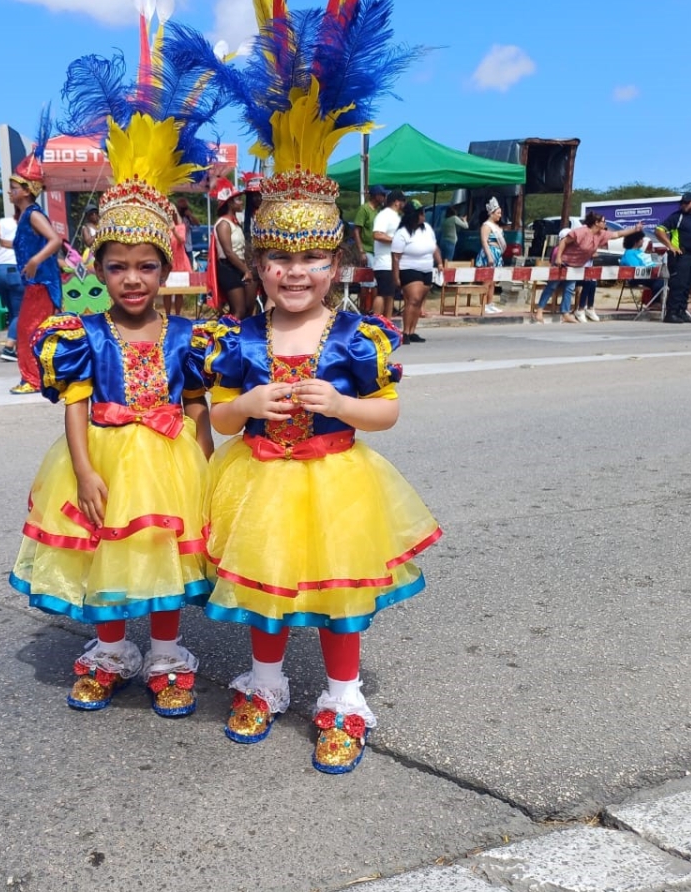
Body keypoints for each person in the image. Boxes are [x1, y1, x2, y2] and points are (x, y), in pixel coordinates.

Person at [202, 0, 440, 775]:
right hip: (261, 481)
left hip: (338, 482)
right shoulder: (239, 336)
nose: (294, 273)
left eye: (310, 260)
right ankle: (266, 681)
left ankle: (342, 695)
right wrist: (243, 407)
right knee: (262, 588)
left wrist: (341, 405)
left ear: (335, 265)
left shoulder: (359, 334)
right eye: (278, 259)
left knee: (340, 595)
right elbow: (217, 414)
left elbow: (390, 411)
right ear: (257, 264)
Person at [10, 35, 217, 717]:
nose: (132, 278)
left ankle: (163, 655)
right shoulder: (81, 335)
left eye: (147, 266)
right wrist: (84, 466)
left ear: (168, 270)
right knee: (103, 557)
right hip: (98, 455)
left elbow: (195, 405)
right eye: (118, 265)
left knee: (160, 558)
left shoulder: (188, 334)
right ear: (97, 270)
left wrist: (206, 470)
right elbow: (74, 402)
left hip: (169, 463)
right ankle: (108, 651)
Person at [7, 110, 63, 394]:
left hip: (41, 282)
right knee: (33, 330)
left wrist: (35, 260)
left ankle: (33, 379)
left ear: (27, 190)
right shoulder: (25, 216)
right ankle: (38, 376)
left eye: (13, 187)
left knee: (30, 330)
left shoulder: (32, 214)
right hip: (36, 281)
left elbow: (55, 239)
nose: (10, 192)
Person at [536, 213, 641, 323]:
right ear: (596, 223)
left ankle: (565, 314)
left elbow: (618, 234)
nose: (605, 223)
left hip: (576, 265)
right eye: (603, 221)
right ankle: (539, 311)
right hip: (564, 262)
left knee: (569, 289)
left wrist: (635, 229)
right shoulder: (581, 232)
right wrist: (558, 258)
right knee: (552, 286)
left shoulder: (601, 234)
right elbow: (564, 241)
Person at [653, 192, 691, 324]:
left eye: (686, 202)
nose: (683, 205)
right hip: (680, 256)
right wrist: (670, 246)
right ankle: (671, 313)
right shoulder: (677, 217)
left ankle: (681, 311)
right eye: (682, 203)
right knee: (678, 285)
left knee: (688, 285)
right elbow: (659, 230)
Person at [390, 200, 441, 344]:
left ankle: (412, 331)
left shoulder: (427, 229)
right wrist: (396, 276)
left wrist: (440, 262)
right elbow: (395, 257)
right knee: (413, 300)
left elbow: (435, 247)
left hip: (426, 268)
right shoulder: (402, 233)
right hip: (409, 268)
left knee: (419, 302)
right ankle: (405, 332)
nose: (423, 215)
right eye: (420, 213)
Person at [211, 178, 252, 319]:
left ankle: (235, 337)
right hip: (228, 268)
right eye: (238, 200)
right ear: (230, 203)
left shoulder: (234, 223)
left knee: (245, 310)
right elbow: (228, 252)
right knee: (238, 311)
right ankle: (226, 339)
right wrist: (245, 270)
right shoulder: (223, 224)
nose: (241, 202)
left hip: (237, 267)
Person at [0, 211, 25, 363]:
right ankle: (9, 347)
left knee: (13, 312)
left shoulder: (2, 222)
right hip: (16, 269)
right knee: (20, 312)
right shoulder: (29, 221)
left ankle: (17, 345)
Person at [370, 188, 405, 319]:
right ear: (396, 202)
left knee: (390, 294)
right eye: (403, 201)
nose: (404, 204)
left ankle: (388, 322)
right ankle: (376, 321)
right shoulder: (384, 215)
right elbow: (377, 234)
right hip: (383, 262)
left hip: (392, 263)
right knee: (382, 293)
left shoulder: (396, 217)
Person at [473, 197, 505, 315]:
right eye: (498, 213)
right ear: (492, 213)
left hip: (497, 253)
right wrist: (489, 256)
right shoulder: (486, 226)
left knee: (493, 281)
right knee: (487, 280)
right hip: (489, 253)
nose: (500, 215)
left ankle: (490, 303)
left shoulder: (496, 226)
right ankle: (483, 304)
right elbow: (484, 241)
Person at [163, 202, 193, 316]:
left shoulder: (181, 227)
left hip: (180, 262)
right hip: (168, 261)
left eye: (171, 212)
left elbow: (182, 240)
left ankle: (178, 314)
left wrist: (174, 230)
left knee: (179, 291)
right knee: (167, 292)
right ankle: (167, 315)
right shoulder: (163, 227)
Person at [621, 231, 665, 307]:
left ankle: (664, 303)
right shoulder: (629, 254)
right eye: (641, 239)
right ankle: (656, 302)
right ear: (636, 241)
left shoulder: (639, 251)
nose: (643, 241)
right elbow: (636, 270)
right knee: (660, 280)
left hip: (650, 274)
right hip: (637, 277)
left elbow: (652, 263)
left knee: (670, 279)